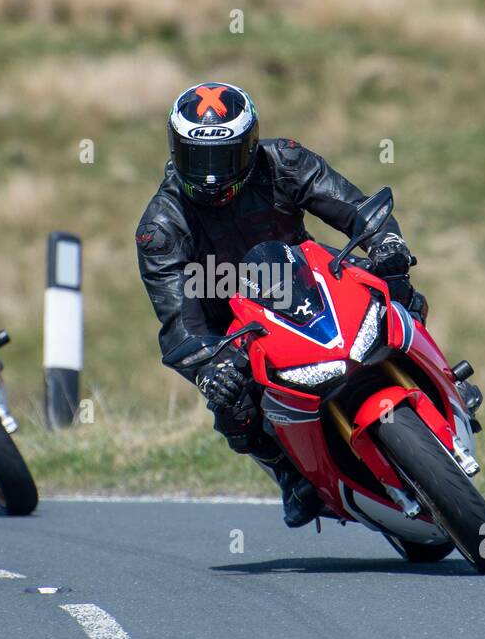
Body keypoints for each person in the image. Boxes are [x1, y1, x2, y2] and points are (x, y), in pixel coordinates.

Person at [135, 82, 430, 527]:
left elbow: (356, 209)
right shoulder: (160, 227)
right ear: (176, 151)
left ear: (250, 145)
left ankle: (439, 378)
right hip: (239, 326)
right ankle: (291, 475)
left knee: (396, 287)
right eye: (200, 158)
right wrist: (208, 367)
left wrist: (386, 242)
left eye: (225, 157)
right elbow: (178, 322)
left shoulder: (285, 161)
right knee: (232, 406)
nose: (212, 175)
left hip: (312, 280)